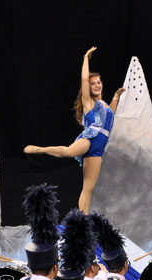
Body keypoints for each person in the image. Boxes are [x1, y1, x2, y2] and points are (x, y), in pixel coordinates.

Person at [24, 46, 125, 213]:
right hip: (90, 138)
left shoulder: (105, 105)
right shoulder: (89, 102)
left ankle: (83, 221)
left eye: (98, 82)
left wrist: (116, 97)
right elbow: (84, 80)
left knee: (88, 188)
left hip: (99, 148)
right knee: (69, 152)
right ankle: (40, 149)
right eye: (93, 83)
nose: (96, 85)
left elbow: (111, 114)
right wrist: (86, 58)